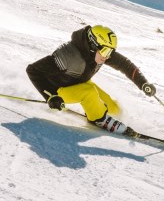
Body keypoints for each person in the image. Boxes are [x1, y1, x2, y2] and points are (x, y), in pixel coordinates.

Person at [26, 24, 156, 135]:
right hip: (58, 91)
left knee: (114, 107)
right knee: (90, 92)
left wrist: (143, 83)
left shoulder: (100, 52)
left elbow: (125, 65)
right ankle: (98, 118)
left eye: (110, 52)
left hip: (79, 84)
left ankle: (106, 114)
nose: (107, 57)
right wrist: (50, 96)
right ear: (93, 45)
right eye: (105, 52)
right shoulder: (69, 57)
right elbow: (33, 70)